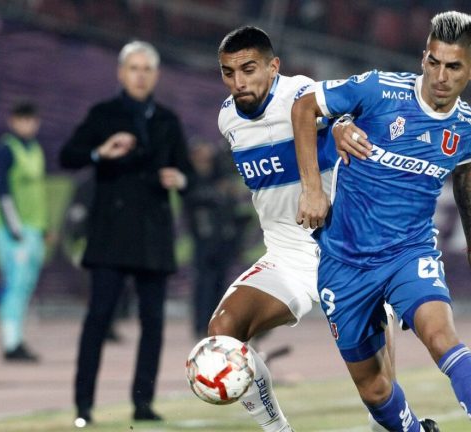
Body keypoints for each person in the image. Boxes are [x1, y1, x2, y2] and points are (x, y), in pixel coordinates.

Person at [293, 11, 471, 432]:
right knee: (374, 390)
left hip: (408, 252)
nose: (441, 75)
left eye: (453, 67)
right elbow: (303, 106)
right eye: (434, 62)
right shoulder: (378, 90)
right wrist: (313, 188)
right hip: (344, 259)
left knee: (442, 338)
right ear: (423, 57)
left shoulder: (468, 126)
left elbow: (466, 173)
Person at [209, 26, 397, 432]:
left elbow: (350, 122)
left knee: (379, 393)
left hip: (347, 255)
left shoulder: (301, 94)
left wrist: (344, 134)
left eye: (249, 69)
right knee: (222, 334)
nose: (239, 82)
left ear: (274, 66)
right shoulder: (228, 118)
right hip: (287, 258)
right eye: (228, 72)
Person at [59, 40, 193, 425]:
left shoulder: (167, 120)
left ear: (155, 75)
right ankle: (84, 406)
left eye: (147, 69)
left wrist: (180, 177)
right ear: (121, 73)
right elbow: (68, 156)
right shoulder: (103, 114)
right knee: (98, 318)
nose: (140, 75)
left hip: (153, 234)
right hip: (111, 233)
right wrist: (101, 152)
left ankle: (142, 404)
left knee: (153, 324)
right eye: (133, 68)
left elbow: (189, 175)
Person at [0, 101, 47, 362]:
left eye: (31, 119)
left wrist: (43, 228)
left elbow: (38, 193)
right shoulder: (5, 150)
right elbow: (2, 192)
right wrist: (14, 229)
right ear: (13, 121)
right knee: (15, 285)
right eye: (22, 120)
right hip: (15, 230)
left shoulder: (34, 149)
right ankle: (10, 342)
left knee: (25, 285)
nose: (27, 125)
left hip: (33, 229)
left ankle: (17, 338)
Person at [183, 138, 251, 339]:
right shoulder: (191, 179)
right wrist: (219, 193)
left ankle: (214, 323)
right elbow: (194, 199)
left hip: (223, 239)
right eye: (198, 155)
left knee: (220, 283)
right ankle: (200, 325)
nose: (203, 159)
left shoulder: (219, 175)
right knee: (204, 283)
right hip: (203, 239)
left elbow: (232, 207)